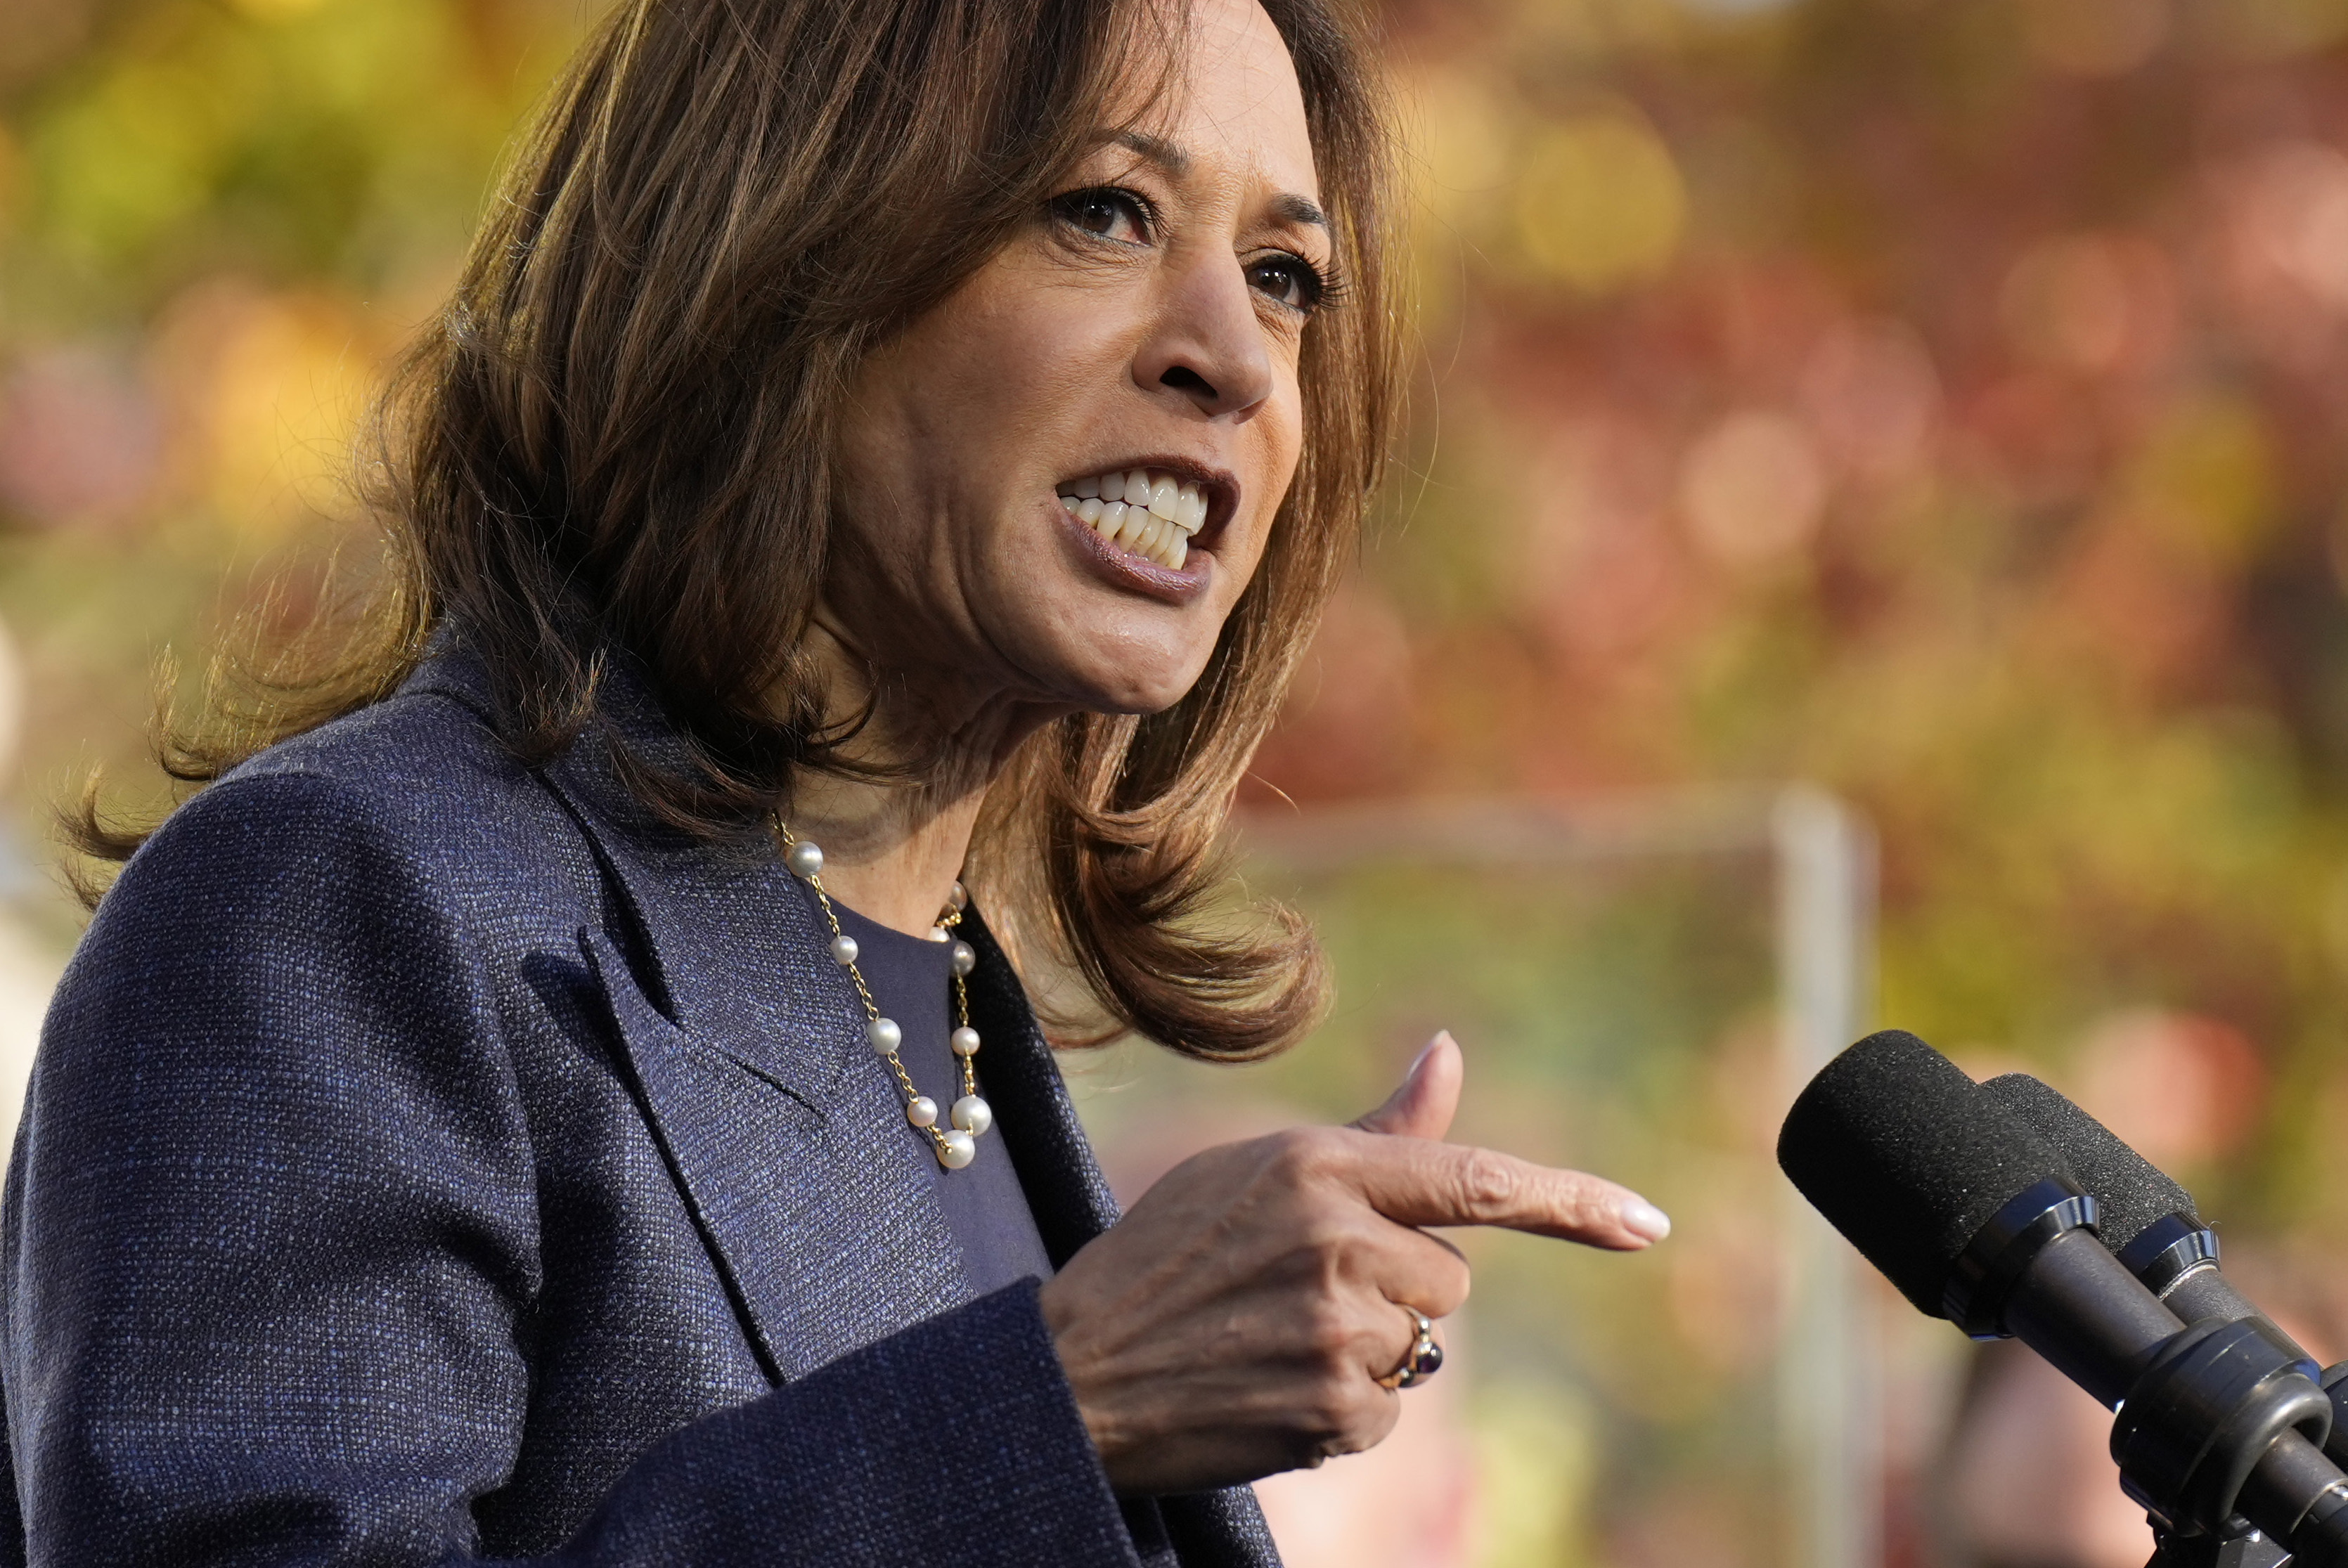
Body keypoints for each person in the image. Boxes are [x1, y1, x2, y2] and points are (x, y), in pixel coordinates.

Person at [1, 0, 1670, 1562]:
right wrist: (1059, 1404)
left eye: (1288, 276)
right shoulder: (334, 912)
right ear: (776, 255)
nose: (1232, 356)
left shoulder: (941, 1006)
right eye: (1101, 211)